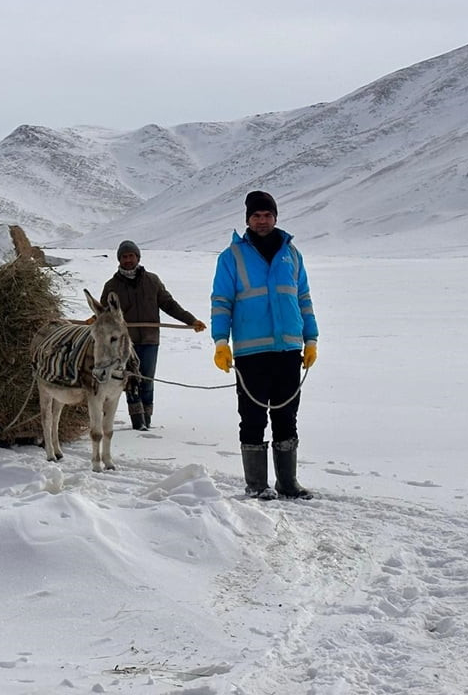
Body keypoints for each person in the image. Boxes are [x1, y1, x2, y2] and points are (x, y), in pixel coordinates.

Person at [210, 190, 318, 499]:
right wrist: (221, 342)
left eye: (267, 215)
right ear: (248, 219)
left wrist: (311, 339)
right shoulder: (231, 257)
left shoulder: (292, 254)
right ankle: (256, 485)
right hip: (251, 352)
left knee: (286, 415)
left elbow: (304, 299)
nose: (262, 220)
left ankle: (287, 483)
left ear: (276, 217)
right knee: (253, 416)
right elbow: (221, 302)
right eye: (256, 216)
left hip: (288, 350)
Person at [100, 240, 206, 430]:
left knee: (147, 378)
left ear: (138, 257)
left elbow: (169, 304)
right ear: (119, 259)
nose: (128, 260)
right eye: (124, 257)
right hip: (125, 343)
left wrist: (191, 320)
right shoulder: (112, 285)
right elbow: (104, 313)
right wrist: (94, 319)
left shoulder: (152, 281)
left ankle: (147, 418)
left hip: (149, 339)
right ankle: (138, 421)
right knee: (130, 378)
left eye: (131, 256)